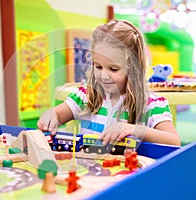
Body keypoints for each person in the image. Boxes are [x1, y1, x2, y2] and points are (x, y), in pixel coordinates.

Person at [37, 20, 180, 146]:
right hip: (89, 173)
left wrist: (134, 129)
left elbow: (174, 140)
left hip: (129, 174)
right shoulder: (85, 96)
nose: (104, 76)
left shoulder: (151, 104)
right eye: (98, 66)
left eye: (113, 69)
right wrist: (50, 117)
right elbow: (56, 114)